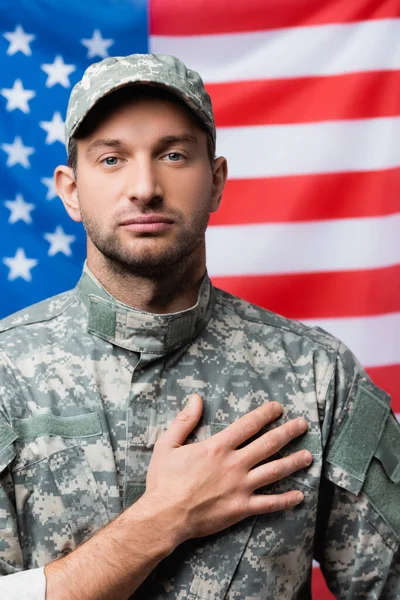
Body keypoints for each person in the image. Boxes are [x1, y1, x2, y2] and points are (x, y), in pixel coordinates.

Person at [0, 53, 399, 600]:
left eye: (173, 154)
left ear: (215, 182)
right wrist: (163, 519)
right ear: (70, 190)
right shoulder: (5, 374)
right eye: (112, 159)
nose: (145, 187)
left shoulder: (318, 375)